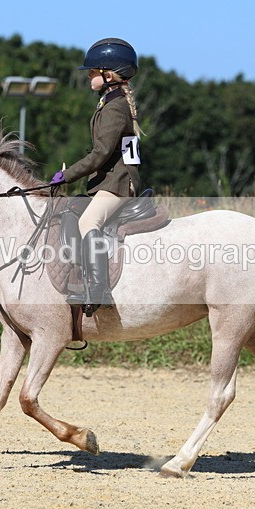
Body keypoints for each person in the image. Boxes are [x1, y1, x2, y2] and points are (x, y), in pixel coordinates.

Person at [49, 38, 143, 313]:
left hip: (116, 185)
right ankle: (78, 276)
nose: (89, 76)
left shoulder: (115, 107)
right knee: (70, 212)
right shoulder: (110, 103)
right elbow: (129, 151)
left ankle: (99, 289)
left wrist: (67, 175)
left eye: (92, 72)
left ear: (109, 74)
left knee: (90, 220)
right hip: (111, 182)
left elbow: (100, 154)